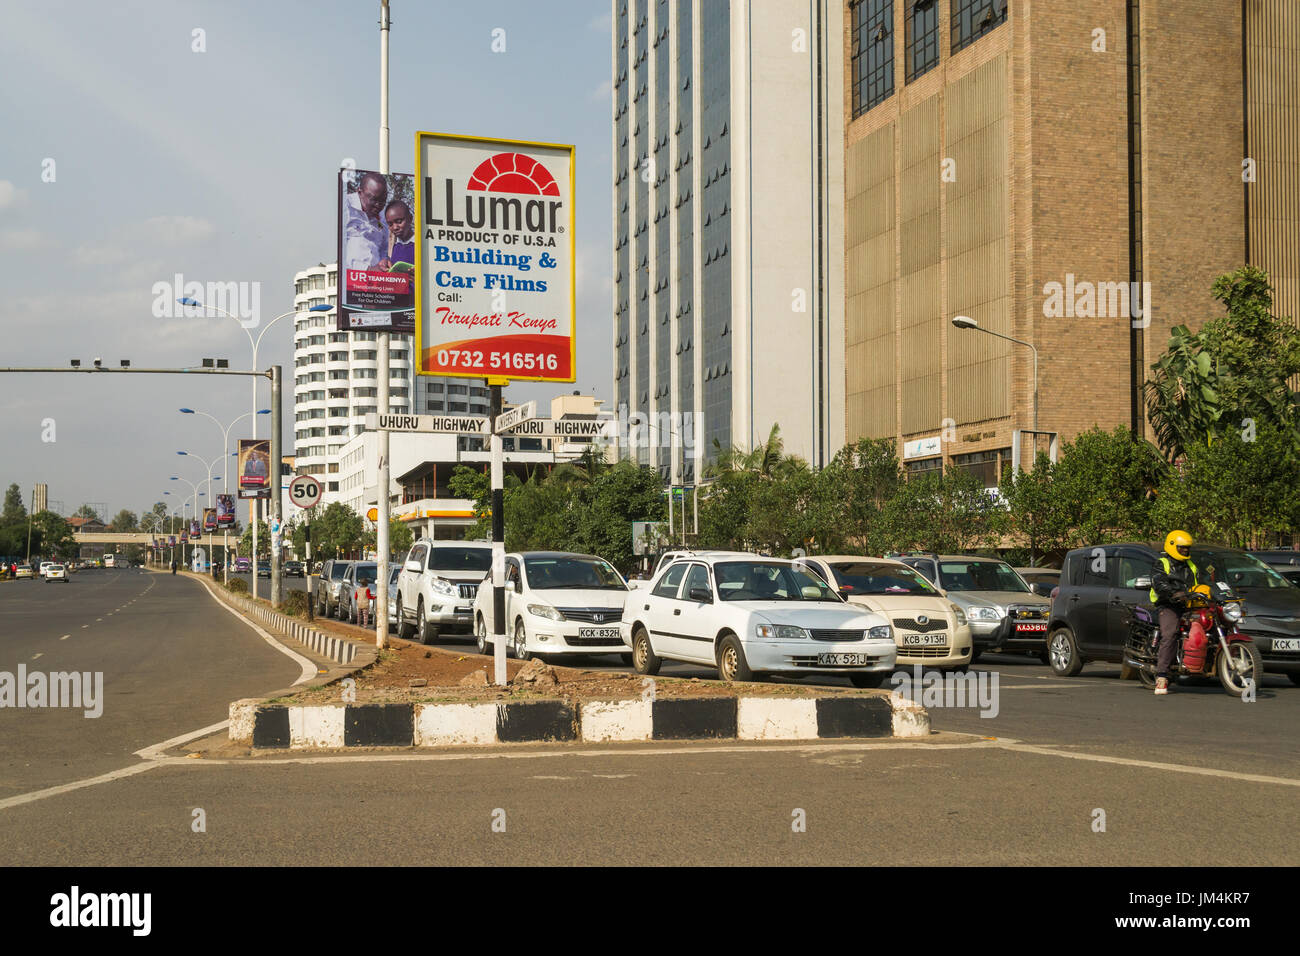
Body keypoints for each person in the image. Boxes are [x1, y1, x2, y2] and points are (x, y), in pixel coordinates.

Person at [1148, 530, 1200, 696]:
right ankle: (1162, 676)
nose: (1186, 550)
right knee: (1170, 634)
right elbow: (1159, 583)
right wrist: (1172, 593)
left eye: (1187, 548)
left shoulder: (1191, 565)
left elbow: (1200, 584)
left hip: (1189, 604)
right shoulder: (1162, 563)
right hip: (1168, 604)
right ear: (1172, 546)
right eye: (1182, 548)